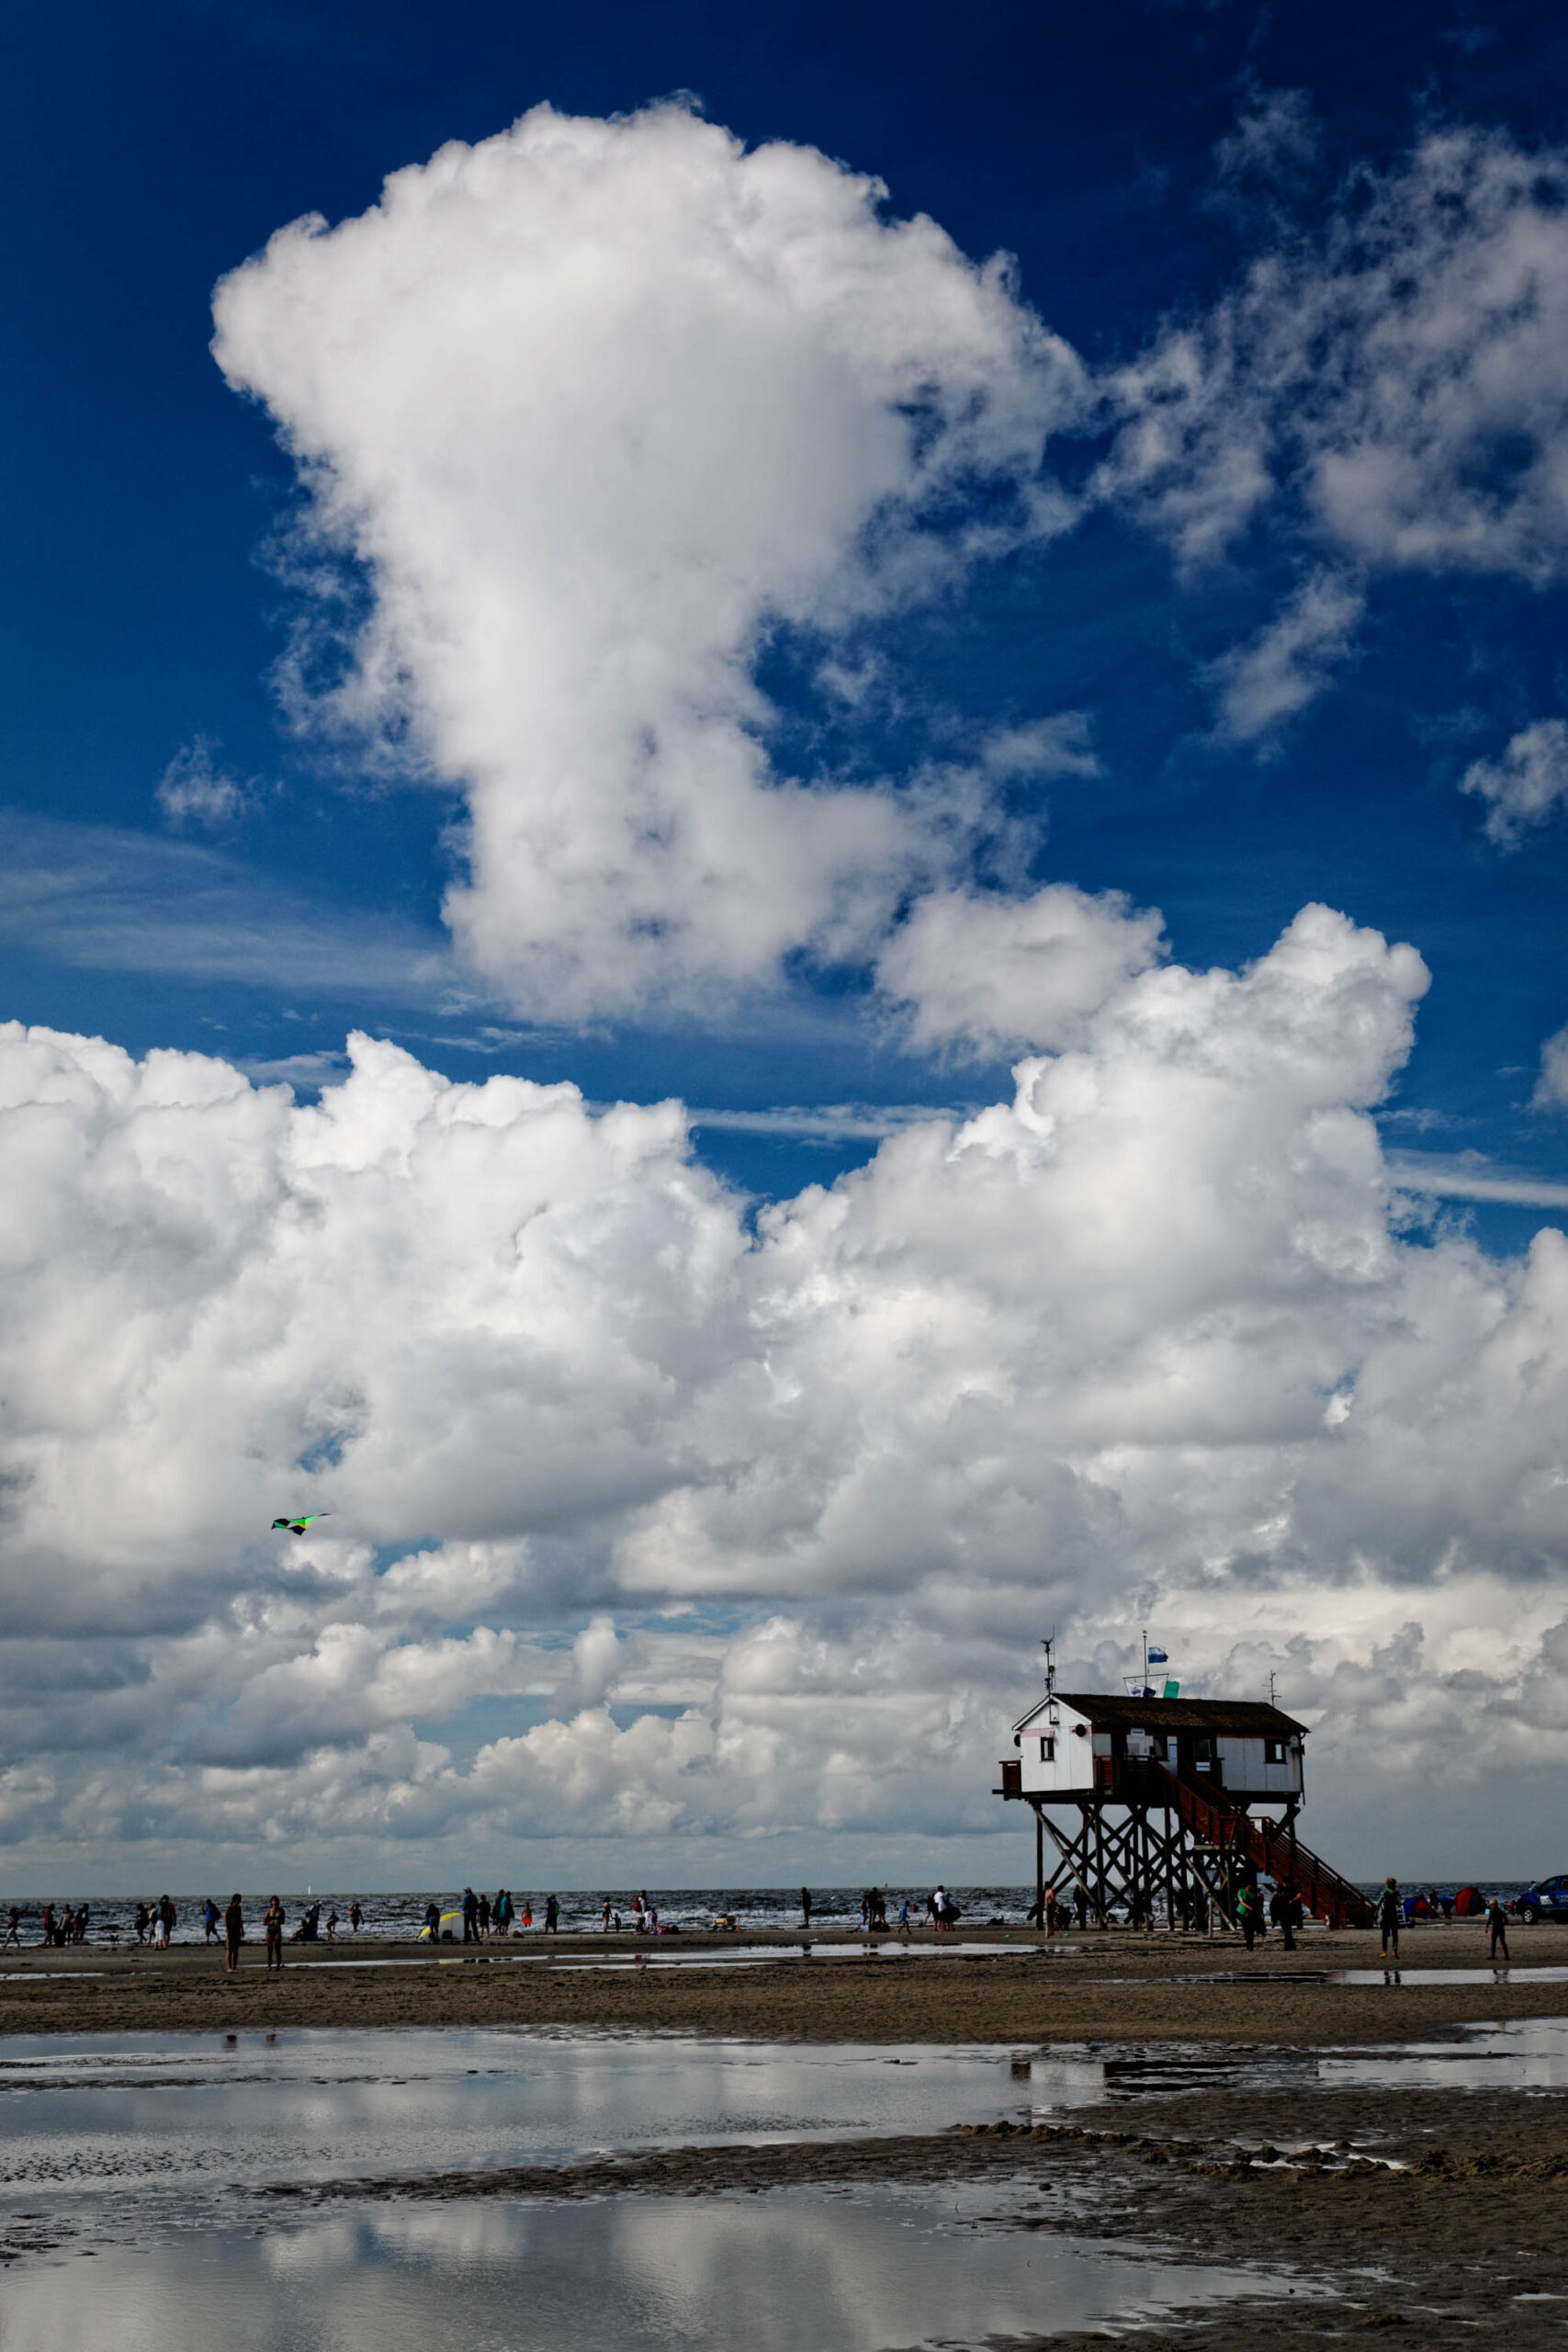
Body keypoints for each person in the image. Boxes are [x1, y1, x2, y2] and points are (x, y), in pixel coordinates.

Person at [1377, 1877, 1401, 1960]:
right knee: (1395, 1934)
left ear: (1387, 1884)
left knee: (1385, 1934)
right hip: (1393, 1914)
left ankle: (1384, 1952)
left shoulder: (1384, 1892)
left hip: (1386, 1914)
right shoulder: (1396, 1893)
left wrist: (1375, 1911)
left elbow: (1379, 1903)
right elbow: (1399, 1904)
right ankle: (1395, 1951)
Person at [1236, 1881, 1261, 1951]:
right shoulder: (1241, 1891)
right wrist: (1249, 1907)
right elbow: (1241, 1902)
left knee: (1251, 1930)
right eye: (1250, 1885)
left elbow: (1257, 1903)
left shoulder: (1253, 1893)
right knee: (1246, 1930)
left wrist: (1260, 1897)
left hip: (1252, 1913)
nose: (1251, 1886)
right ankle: (1248, 1945)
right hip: (1243, 1913)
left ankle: (1250, 1946)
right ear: (1247, 1885)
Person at [1487, 1894, 1511, 1962]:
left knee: (1493, 1942)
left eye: (1491, 1905)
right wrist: (1502, 1924)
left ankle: (1493, 1956)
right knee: (1503, 1942)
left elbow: (1489, 1920)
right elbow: (1506, 1921)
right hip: (1501, 1928)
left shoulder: (1492, 1911)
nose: (1490, 1906)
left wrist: (1487, 1927)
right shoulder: (1501, 1911)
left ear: (1494, 1905)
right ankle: (1507, 1956)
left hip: (1495, 1928)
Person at [224, 1893, 243, 1975]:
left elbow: (240, 1919)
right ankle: (229, 1967)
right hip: (230, 1930)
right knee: (229, 1949)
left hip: (237, 1930)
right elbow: (226, 1920)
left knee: (235, 1950)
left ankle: (234, 1967)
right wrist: (228, 1930)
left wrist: (242, 1929)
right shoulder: (229, 1909)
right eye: (238, 1900)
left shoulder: (239, 1909)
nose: (239, 1902)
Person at [264, 1895, 285, 1972]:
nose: (275, 1903)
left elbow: (283, 1921)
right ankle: (269, 1965)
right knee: (269, 1948)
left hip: (277, 1930)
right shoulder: (269, 1911)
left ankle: (278, 1965)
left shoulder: (281, 1911)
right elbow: (264, 1922)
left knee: (277, 1948)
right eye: (273, 1901)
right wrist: (270, 1922)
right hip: (270, 1930)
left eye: (276, 1901)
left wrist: (279, 1922)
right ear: (271, 1902)